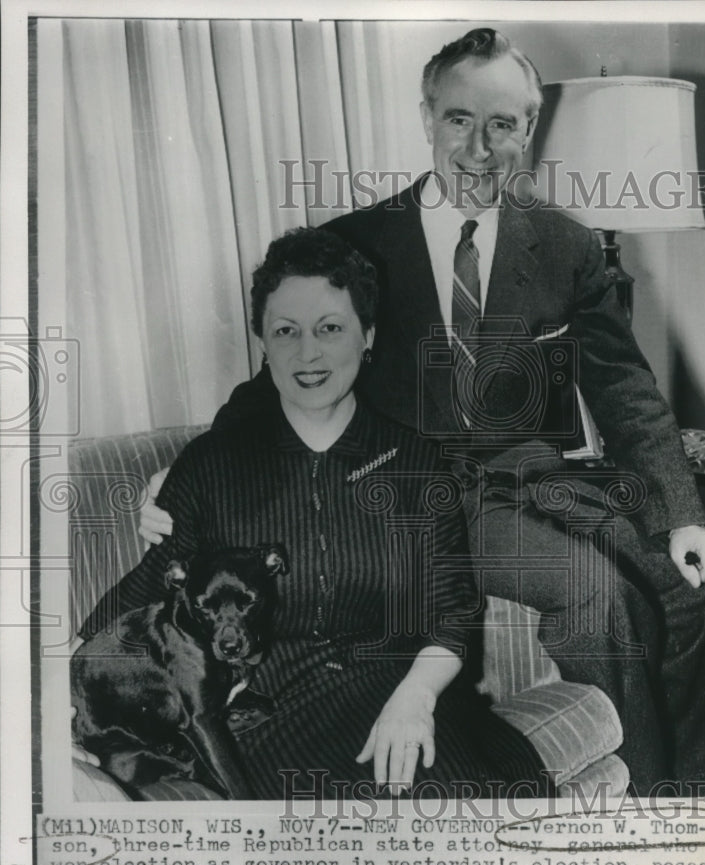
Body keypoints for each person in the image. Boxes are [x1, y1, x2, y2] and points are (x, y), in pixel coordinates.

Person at [140, 28, 705, 795]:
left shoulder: (565, 246)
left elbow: (624, 388)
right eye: (460, 119)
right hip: (414, 497)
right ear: (427, 118)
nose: (480, 149)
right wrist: (182, 472)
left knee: (704, 578)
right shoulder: (351, 242)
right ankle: (647, 817)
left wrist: (683, 512)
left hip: (531, 481)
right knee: (595, 594)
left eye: (503, 125)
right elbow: (282, 378)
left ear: (531, 127)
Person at [83, 227, 551, 800]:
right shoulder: (212, 464)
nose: (308, 353)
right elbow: (141, 594)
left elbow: (450, 609)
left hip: (402, 690)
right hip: (274, 714)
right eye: (286, 331)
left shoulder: (416, 462)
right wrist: (51, 687)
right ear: (263, 342)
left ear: (368, 336)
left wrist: (416, 699)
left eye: (330, 328)